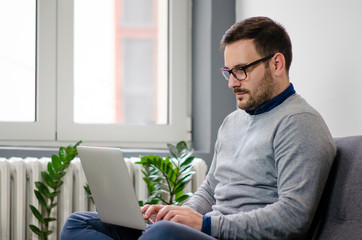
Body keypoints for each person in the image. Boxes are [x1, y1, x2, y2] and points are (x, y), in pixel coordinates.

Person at [60, 16, 336, 240]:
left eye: (241, 70)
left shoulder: (299, 122)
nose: (232, 83)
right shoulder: (233, 122)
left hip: (228, 236)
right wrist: (178, 214)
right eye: (228, 72)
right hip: (207, 232)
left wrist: (204, 225)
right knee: (78, 223)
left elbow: (292, 217)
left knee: (162, 235)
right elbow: (209, 190)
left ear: (277, 63)